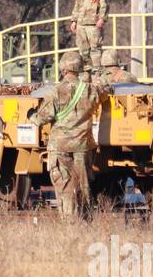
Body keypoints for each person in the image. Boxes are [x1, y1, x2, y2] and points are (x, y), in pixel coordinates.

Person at [30, 56, 104, 216]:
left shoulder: (56, 91)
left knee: (64, 185)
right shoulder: (90, 90)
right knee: (84, 185)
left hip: (60, 147)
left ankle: (69, 222)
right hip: (83, 146)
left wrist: (31, 115)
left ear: (63, 70)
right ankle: (85, 220)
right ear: (78, 69)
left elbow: (42, 118)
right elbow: (105, 91)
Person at [70, 0, 107, 74]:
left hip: (93, 22)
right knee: (83, 50)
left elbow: (103, 0)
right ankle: (87, 75)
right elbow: (78, 2)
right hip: (82, 21)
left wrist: (102, 18)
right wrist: (74, 20)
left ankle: (97, 75)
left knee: (95, 50)